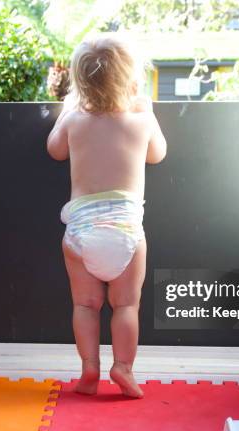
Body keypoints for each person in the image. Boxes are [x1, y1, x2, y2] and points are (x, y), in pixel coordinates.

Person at [46, 36, 167, 398]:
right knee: (126, 304)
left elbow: (55, 151)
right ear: (133, 81)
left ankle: (89, 369)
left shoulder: (75, 120)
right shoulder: (140, 119)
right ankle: (124, 368)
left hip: (81, 233)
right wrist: (148, 111)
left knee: (85, 305)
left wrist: (68, 111)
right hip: (126, 232)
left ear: (80, 83)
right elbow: (157, 155)